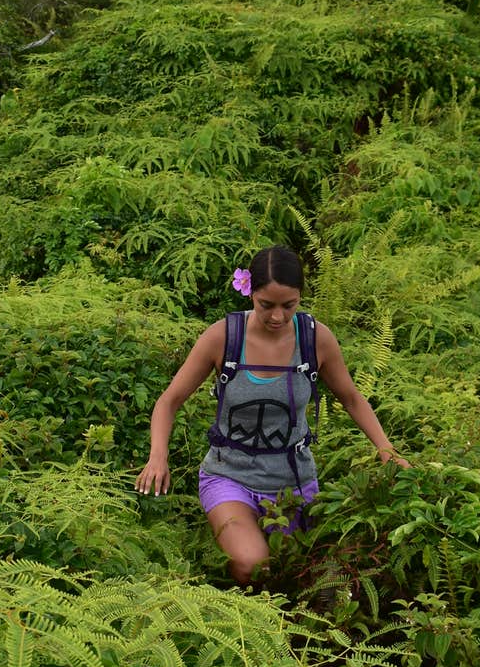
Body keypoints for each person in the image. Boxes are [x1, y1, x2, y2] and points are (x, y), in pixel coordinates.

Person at [135, 245, 409, 585]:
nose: (277, 316)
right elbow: (168, 401)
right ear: (249, 291)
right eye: (267, 305)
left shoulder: (315, 339)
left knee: (301, 573)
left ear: (300, 298)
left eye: (289, 305)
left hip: (293, 482)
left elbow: (352, 398)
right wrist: (157, 457)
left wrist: (386, 448)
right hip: (229, 476)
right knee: (252, 565)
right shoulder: (224, 337)